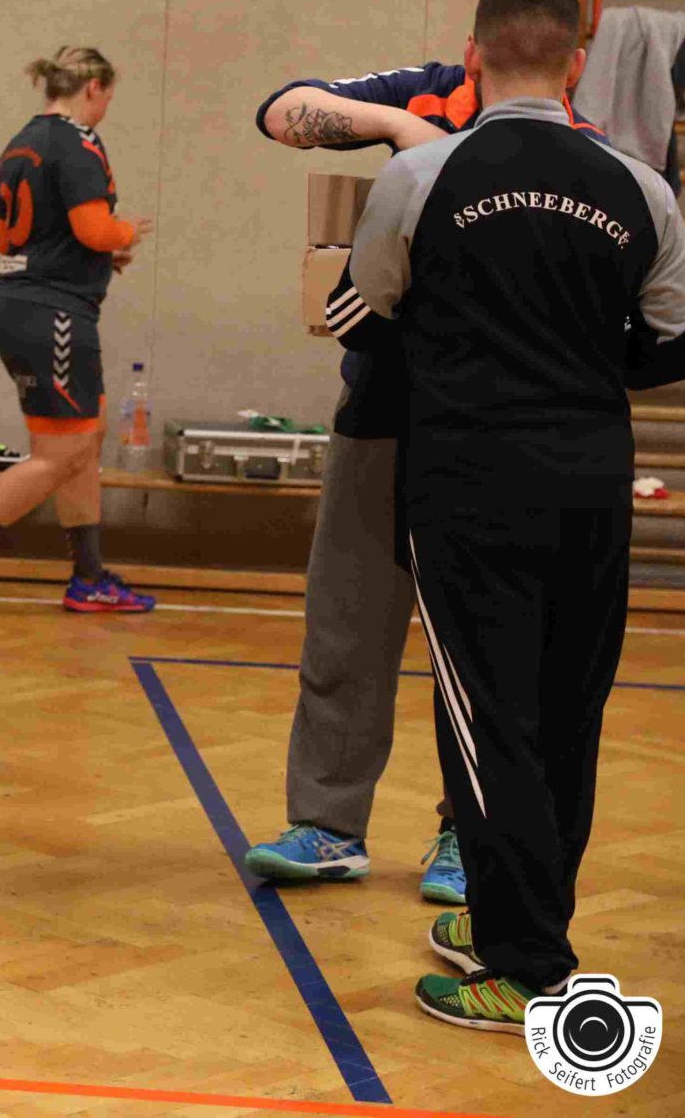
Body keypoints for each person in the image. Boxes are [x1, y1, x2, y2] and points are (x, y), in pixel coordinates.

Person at [341, 0, 684, 1028]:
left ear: (472, 56)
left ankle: (525, 963)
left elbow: (365, 309)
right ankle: (519, 915)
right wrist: (578, 354)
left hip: (466, 482)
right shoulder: (641, 186)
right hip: (592, 481)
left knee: (489, 718)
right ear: (575, 62)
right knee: (566, 712)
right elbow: (670, 340)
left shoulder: (422, 173)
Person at [233, 44, 602, 898]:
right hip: (380, 414)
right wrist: (403, 129)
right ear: (471, 52)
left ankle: (467, 834)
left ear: (575, 65)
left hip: (495, 435)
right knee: (346, 624)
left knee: (485, 646)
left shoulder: (585, 153)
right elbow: (279, 110)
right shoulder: (423, 93)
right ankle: (327, 823)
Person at [0, 46, 157, 617]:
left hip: (24, 304)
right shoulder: (78, 141)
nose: (106, 109)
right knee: (62, 450)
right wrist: (123, 234)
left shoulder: (23, 141)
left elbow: (12, 241)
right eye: (108, 97)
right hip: (55, 315)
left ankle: (88, 578)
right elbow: (94, 228)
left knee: (84, 441)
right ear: (93, 87)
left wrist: (92, 259)